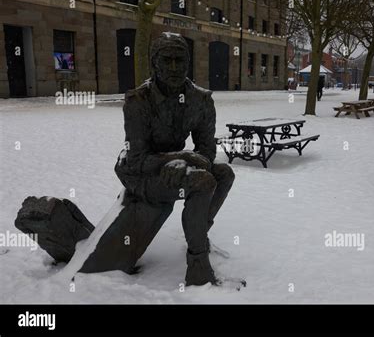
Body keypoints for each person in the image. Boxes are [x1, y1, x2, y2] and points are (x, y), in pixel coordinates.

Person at [16, 32, 235, 287]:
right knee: (202, 181)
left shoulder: (201, 100)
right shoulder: (138, 101)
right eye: (167, 60)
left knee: (224, 174)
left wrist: (187, 162)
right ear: (155, 63)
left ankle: (200, 233)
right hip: (139, 173)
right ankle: (198, 267)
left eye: (180, 60)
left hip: (173, 169)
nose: (174, 67)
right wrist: (180, 157)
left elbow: (207, 151)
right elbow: (137, 159)